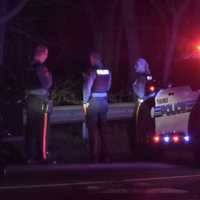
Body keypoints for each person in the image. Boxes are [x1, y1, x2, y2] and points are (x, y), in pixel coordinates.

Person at [26, 45, 53, 163]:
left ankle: (29, 156)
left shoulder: (28, 67)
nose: (46, 56)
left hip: (30, 100)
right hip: (41, 100)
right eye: (46, 54)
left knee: (30, 128)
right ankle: (42, 156)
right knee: (43, 129)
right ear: (42, 54)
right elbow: (47, 84)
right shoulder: (41, 68)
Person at [83, 52, 112, 163]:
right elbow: (108, 86)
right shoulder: (107, 71)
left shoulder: (92, 71)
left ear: (93, 59)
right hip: (104, 101)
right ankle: (106, 156)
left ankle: (94, 157)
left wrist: (85, 102)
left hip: (94, 101)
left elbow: (87, 87)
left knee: (92, 129)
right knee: (104, 130)